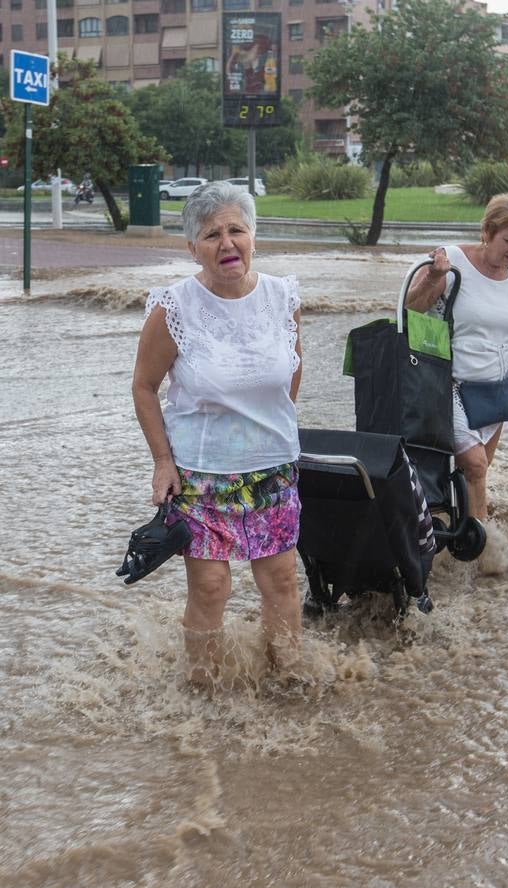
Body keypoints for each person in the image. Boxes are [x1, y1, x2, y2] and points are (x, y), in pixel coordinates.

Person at [130, 181, 303, 685]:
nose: (227, 243)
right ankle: (201, 689)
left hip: (272, 470)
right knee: (210, 587)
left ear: (253, 237)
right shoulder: (174, 308)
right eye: (211, 235)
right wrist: (162, 461)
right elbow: (144, 386)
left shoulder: (283, 297)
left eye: (236, 230)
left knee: (281, 580)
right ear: (193, 248)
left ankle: (288, 677)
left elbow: (292, 369)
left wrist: (269, 428)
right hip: (201, 474)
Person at [404, 192, 508, 527]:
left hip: (497, 390)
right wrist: (434, 277)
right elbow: (410, 310)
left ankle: (457, 535)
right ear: (486, 232)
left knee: (475, 474)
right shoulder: (452, 262)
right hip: (447, 385)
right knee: (476, 465)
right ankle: (480, 543)